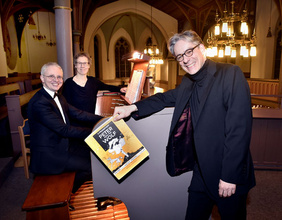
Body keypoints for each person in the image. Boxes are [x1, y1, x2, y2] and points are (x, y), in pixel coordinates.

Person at [113, 30, 256, 220]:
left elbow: (239, 130)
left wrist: (229, 176)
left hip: (227, 171)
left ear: (202, 48)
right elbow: (163, 98)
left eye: (189, 52)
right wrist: (131, 108)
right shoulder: (188, 82)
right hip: (201, 172)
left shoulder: (230, 74)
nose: (185, 59)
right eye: (180, 56)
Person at [28, 62, 103, 192]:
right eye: (51, 76)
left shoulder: (58, 96)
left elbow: (78, 114)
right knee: (91, 166)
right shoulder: (40, 102)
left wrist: (104, 119)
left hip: (61, 144)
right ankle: (65, 193)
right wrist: (96, 131)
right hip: (49, 154)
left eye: (59, 77)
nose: (56, 80)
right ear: (42, 78)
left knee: (94, 154)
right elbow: (64, 130)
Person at [62, 52, 126, 123]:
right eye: (79, 63)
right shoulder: (68, 83)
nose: (82, 66)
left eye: (85, 63)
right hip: (75, 123)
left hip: (90, 122)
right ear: (75, 65)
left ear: (89, 65)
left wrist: (120, 89)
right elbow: (66, 106)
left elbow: (106, 86)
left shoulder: (93, 81)